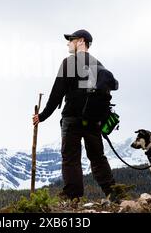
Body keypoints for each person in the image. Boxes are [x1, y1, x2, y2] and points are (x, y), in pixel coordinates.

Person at [32, 29, 116, 200]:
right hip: (93, 121)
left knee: (71, 158)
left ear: (81, 41)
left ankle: (73, 197)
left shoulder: (70, 62)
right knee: (98, 158)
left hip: (72, 120)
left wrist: (42, 116)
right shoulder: (98, 65)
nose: (68, 43)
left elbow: (57, 93)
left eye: (71, 39)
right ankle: (113, 193)